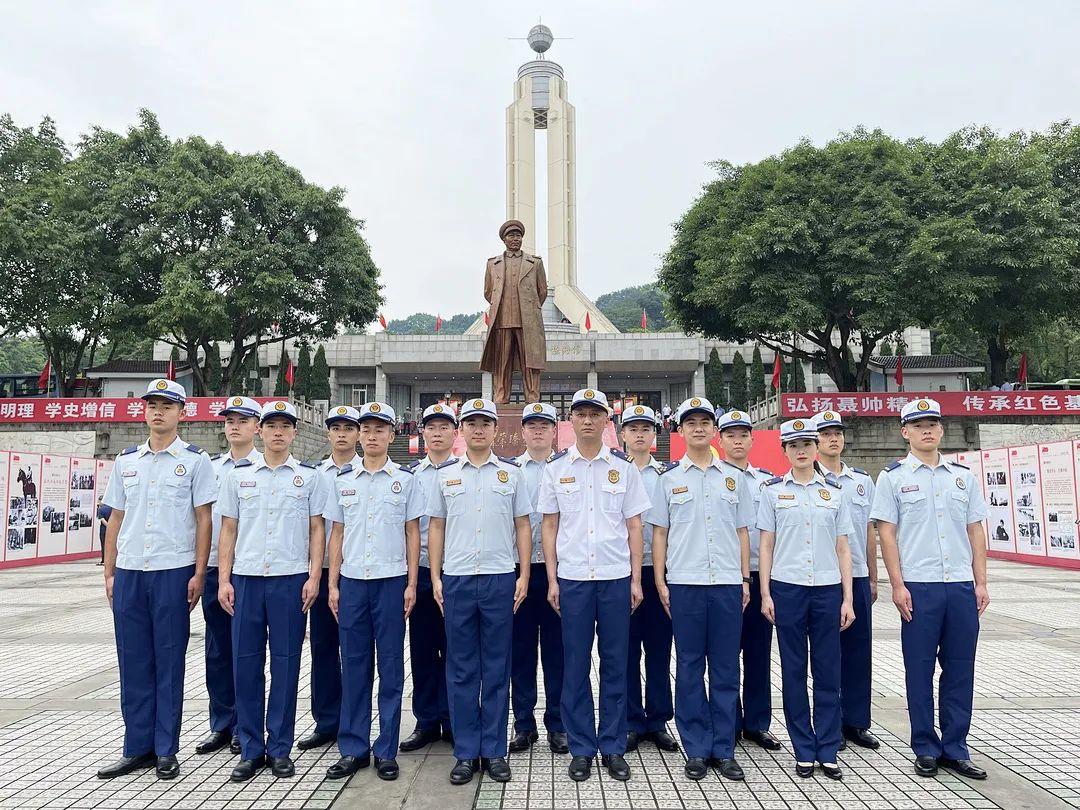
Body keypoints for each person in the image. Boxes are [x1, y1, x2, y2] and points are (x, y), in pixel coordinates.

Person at [97, 378, 216, 781]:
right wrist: (110, 571)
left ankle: (166, 749)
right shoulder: (127, 461)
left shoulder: (196, 461)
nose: (158, 412)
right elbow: (115, 518)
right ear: (144, 411)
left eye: (167, 405)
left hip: (173, 572)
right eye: (152, 405)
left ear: (182, 413)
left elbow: (204, 521)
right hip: (130, 572)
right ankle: (137, 747)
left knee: (168, 661)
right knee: (133, 662)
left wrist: (199, 573)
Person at [870, 397, 990, 780]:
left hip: (959, 587)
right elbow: (886, 535)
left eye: (933, 424)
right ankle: (924, 746)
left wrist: (981, 581)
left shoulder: (963, 477)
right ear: (904, 432)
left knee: (960, 669)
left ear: (941, 430)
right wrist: (897, 585)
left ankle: (956, 747)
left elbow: (975, 530)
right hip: (918, 588)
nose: (927, 430)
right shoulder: (892, 478)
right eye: (918, 424)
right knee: (918, 670)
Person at [538, 388, 651, 783]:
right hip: (572, 580)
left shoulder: (624, 469)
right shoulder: (555, 469)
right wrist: (551, 578)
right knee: (575, 664)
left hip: (616, 578)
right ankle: (582, 746)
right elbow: (549, 526)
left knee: (617, 663)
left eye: (595, 414)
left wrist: (637, 579)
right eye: (580, 413)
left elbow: (634, 526)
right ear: (571, 421)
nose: (587, 420)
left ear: (607, 421)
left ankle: (613, 745)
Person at [217, 401, 326, 782]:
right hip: (246, 579)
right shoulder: (239, 476)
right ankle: (250, 748)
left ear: (294, 433)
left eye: (285, 426)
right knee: (246, 665)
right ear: (260, 432)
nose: (278, 432)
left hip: (290, 580)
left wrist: (314, 577)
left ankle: (279, 748)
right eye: (271, 426)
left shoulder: (309, 478)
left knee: (285, 665)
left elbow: (317, 531)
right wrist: (224, 579)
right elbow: (228, 530)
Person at [427, 398, 533, 785]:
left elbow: (524, 526)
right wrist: (436, 577)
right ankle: (466, 752)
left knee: (496, 666)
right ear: (461, 430)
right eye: (470, 422)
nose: (477, 429)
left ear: (493, 429)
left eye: (484, 423)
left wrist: (523, 575)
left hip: (499, 578)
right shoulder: (446, 475)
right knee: (461, 669)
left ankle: (494, 749)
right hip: (456, 579)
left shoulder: (511, 474)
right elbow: (435, 527)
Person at [649, 397, 752, 781]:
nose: (697, 428)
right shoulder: (669, 479)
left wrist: (744, 578)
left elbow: (743, 532)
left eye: (704, 421)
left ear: (714, 430)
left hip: (726, 583)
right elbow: (660, 534)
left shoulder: (733, 477)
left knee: (726, 668)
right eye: (689, 422)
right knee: (690, 667)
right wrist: (660, 581)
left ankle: (724, 748)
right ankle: (695, 747)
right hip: (685, 584)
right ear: (679, 430)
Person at [324, 402, 425, 781]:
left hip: (391, 582)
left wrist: (413, 583)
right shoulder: (343, 480)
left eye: (380, 429)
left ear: (391, 435)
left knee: (390, 669)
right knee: (353, 666)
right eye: (366, 430)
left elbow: (412, 532)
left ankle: (386, 749)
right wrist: (332, 583)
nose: (371, 436)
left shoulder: (405, 479)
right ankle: (353, 748)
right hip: (352, 583)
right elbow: (337, 533)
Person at [758, 418, 855, 781]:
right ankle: (803, 748)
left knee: (828, 670)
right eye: (793, 445)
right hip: (788, 589)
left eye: (807, 444)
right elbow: (766, 544)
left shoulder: (834, 492)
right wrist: (766, 592)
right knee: (794, 671)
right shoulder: (772, 491)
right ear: (784, 451)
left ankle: (827, 748)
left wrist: (848, 598)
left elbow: (843, 548)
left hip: (828, 590)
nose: (801, 451)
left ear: (816, 449)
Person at [196, 396, 263, 758]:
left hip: (250, 571)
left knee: (249, 653)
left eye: (243, 420)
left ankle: (246, 725)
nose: (234, 425)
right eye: (229, 420)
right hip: (214, 571)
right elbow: (203, 520)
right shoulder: (211, 467)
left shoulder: (265, 466)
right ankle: (221, 723)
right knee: (218, 650)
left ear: (258, 427)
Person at [813, 410, 880, 751]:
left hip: (856, 575)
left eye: (837, 432)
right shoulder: (807, 480)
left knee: (858, 651)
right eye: (825, 434)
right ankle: (830, 723)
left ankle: (856, 721)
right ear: (816, 441)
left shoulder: (861, 481)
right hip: (824, 579)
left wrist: (873, 573)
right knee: (827, 655)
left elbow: (868, 530)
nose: (833, 439)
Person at [714, 409, 781, 751]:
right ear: (720, 440)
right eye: (731, 435)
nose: (738, 440)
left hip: (761, 576)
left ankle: (757, 723)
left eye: (743, 435)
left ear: (753, 440)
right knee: (725, 654)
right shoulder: (712, 477)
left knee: (758, 652)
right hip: (725, 577)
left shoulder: (767, 482)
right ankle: (730, 721)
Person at [300, 405, 361, 754]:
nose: (341, 433)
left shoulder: (368, 469)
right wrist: (313, 574)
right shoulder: (315, 474)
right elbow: (315, 525)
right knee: (323, 647)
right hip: (324, 573)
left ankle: (354, 720)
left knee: (356, 653)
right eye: (335, 428)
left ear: (357, 434)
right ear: (327, 434)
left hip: (359, 573)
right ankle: (326, 721)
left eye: (348, 428)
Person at [508, 402, 568, 755]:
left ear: (554, 430)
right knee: (521, 651)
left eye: (544, 425)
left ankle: (558, 725)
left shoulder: (566, 468)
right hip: (519, 572)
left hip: (558, 572)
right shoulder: (511, 470)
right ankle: (523, 725)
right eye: (531, 425)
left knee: (558, 652)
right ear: (523, 431)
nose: (538, 431)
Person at [399, 402, 458, 752]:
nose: (437, 433)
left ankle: (452, 717)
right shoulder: (410, 476)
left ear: (455, 433)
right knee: (422, 648)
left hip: (456, 570)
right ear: (423, 433)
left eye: (444, 427)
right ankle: (425, 720)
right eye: (431, 427)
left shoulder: (464, 471)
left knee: (455, 649)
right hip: (419, 572)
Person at [618, 404, 677, 754]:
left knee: (658, 648)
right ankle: (630, 719)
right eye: (633, 428)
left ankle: (657, 720)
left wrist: (661, 578)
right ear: (622, 434)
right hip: (620, 572)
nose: (639, 434)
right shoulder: (613, 471)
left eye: (645, 428)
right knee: (624, 650)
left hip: (659, 573)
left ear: (654, 435)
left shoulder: (667, 476)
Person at [479, 220, 549, 403]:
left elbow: (542, 291)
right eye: (511, 236)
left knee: (530, 363)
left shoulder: (535, 263)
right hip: (502, 320)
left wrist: (529, 308)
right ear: (504, 239)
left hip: (528, 322)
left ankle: (532, 398)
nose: (515, 239)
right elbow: (488, 292)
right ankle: (501, 397)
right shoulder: (492, 264)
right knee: (502, 362)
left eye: (518, 235)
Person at [96, 496, 111, 565]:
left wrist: (108, 526)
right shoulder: (111, 508)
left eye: (99, 501)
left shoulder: (100, 509)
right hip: (113, 530)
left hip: (104, 529)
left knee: (103, 545)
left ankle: (104, 560)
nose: (98, 503)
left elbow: (102, 519)